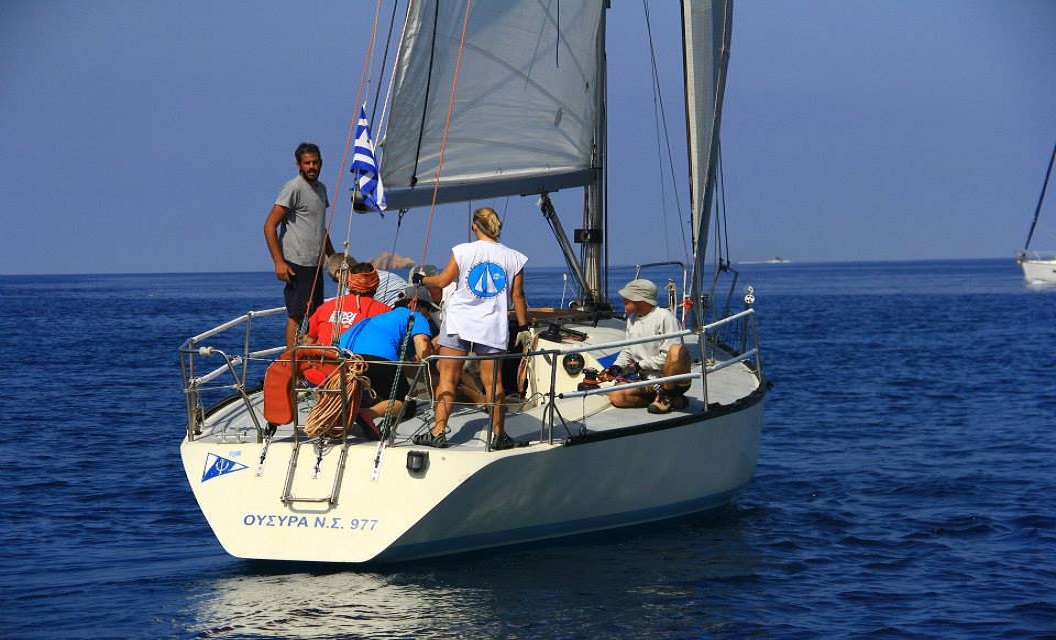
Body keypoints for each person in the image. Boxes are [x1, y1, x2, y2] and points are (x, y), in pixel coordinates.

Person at [416, 207, 529, 450]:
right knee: (494, 383)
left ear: (474, 226)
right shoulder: (515, 258)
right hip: (492, 327)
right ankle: (499, 436)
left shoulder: (463, 250)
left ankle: (438, 432)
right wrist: (524, 327)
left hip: (459, 323)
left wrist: (421, 280)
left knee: (447, 379)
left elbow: (442, 281)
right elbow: (518, 296)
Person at [264, 142, 335, 349]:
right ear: (299, 165)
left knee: (315, 313)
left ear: (321, 163)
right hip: (296, 262)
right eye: (307, 163)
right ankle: (291, 361)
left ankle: (308, 358)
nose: (311, 167)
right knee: (297, 314)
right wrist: (278, 262)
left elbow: (320, 228)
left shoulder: (321, 189)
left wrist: (333, 258)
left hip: (315, 264)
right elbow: (269, 226)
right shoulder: (293, 188)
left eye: (315, 162)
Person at [337, 286, 437, 427]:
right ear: (416, 305)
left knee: (384, 389)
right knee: (406, 405)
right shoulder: (416, 315)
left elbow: (404, 366)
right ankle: (367, 414)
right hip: (377, 359)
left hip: (344, 358)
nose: (428, 315)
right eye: (428, 310)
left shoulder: (381, 318)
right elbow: (423, 346)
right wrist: (431, 366)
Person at [600, 278, 691, 414]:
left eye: (628, 297)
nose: (624, 300)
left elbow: (670, 357)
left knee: (676, 350)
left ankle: (666, 396)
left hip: (670, 379)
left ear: (641, 300)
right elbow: (628, 350)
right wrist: (616, 367)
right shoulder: (632, 319)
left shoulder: (665, 317)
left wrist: (639, 366)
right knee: (616, 397)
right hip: (648, 380)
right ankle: (670, 400)